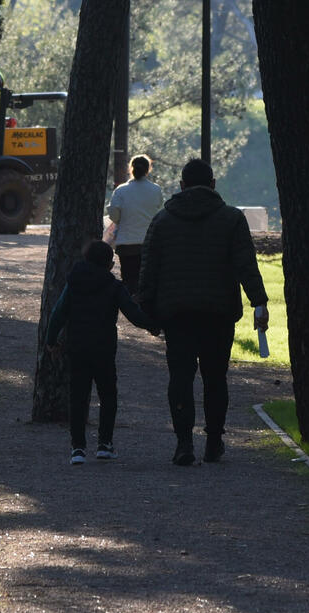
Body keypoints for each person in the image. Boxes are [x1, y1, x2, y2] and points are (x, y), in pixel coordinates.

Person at [137, 158, 268, 466]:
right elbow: (246, 265)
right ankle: (213, 441)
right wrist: (258, 302)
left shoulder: (162, 221)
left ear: (181, 186)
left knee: (180, 377)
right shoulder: (231, 219)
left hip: (177, 313)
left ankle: (184, 442)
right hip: (218, 311)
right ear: (213, 185)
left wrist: (149, 313)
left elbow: (149, 271)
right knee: (215, 378)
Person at [46, 239, 160, 465]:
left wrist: (51, 340)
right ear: (108, 263)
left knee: (78, 397)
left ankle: (77, 448)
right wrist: (154, 325)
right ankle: (105, 444)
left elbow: (59, 312)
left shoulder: (74, 282)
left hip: (77, 346)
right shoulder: (113, 286)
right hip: (104, 348)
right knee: (108, 395)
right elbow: (133, 314)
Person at [105, 154, 163, 297]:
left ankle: (131, 307)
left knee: (129, 281)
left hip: (126, 244)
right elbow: (159, 212)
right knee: (147, 280)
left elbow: (114, 214)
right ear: (148, 169)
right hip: (149, 244)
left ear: (131, 169)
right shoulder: (156, 190)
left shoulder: (121, 190)